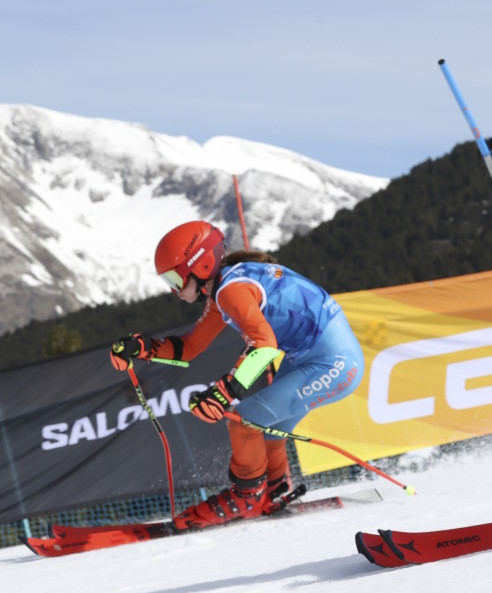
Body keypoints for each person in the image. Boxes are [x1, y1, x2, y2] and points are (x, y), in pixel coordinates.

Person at [108, 221, 364, 530]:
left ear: (200, 266)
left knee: (246, 421)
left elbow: (265, 346)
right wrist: (143, 348)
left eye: (175, 279)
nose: (174, 291)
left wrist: (224, 392)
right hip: (310, 357)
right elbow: (189, 347)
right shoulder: (226, 287)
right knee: (265, 428)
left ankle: (246, 497)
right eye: (168, 281)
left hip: (334, 364)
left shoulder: (231, 290)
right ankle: (273, 493)